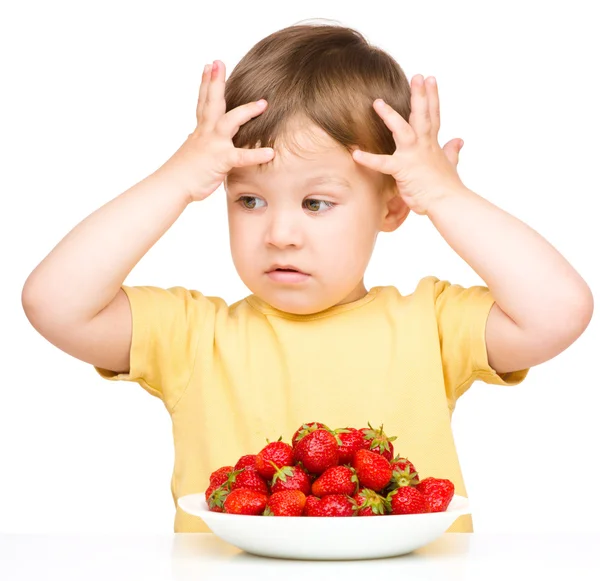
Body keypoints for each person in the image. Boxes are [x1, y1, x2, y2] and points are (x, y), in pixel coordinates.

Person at [21, 23, 593, 533]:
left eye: (316, 203)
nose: (280, 234)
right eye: (249, 199)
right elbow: (54, 303)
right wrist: (176, 179)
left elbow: (560, 311)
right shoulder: (194, 335)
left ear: (393, 208)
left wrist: (446, 196)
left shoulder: (431, 325)